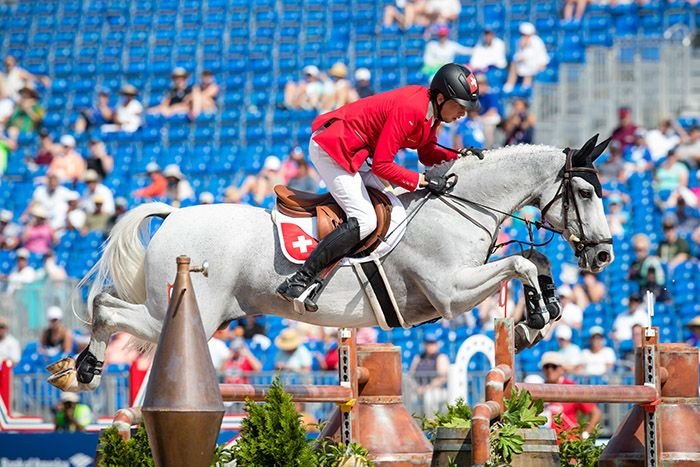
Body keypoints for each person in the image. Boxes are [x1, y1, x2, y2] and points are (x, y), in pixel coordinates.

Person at [276, 63, 483, 310]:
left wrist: (459, 156)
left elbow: (427, 154)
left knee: (395, 212)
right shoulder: (412, 108)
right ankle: (300, 280)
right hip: (334, 147)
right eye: (459, 106)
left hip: (359, 152)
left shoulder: (431, 113)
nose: (462, 113)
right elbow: (383, 166)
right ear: (441, 98)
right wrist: (423, 181)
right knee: (365, 220)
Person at [540, 352, 602, 438]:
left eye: (554, 366)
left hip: (569, 443)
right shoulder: (539, 389)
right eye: (546, 367)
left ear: (561, 369)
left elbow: (595, 413)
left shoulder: (571, 388)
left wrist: (585, 434)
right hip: (545, 441)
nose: (550, 370)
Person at [409, 333, 450, 416]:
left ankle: (430, 422)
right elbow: (411, 376)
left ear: (437, 344)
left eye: (432, 343)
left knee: (428, 398)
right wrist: (416, 388)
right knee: (409, 398)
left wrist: (426, 388)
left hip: (437, 390)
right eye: (428, 343)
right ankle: (416, 422)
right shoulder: (419, 357)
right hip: (419, 390)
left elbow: (442, 378)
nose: (430, 346)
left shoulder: (441, 357)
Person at [502, 22, 549, 93]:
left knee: (527, 69)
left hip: (537, 65)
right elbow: (517, 56)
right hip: (524, 65)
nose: (523, 36)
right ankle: (510, 84)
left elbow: (538, 57)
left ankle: (525, 88)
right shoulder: (520, 42)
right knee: (514, 64)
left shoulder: (536, 41)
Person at [628, 233, 668, 301]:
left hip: (655, 292)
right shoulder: (635, 263)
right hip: (643, 290)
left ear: (646, 249)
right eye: (636, 250)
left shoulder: (651, 262)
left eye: (641, 250)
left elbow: (651, 283)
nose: (638, 253)